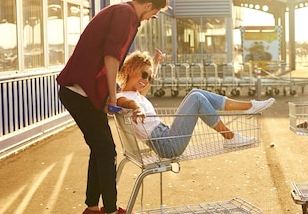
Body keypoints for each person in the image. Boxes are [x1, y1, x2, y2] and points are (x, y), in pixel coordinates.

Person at [57, 0, 169, 214]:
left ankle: (93, 209)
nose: (153, 17)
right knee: (106, 150)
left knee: (101, 149)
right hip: (79, 93)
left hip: (80, 92)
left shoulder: (120, 11)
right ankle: (110, 212)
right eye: (155, 13)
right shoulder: (126, 15)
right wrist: (111, 96)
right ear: (148, 5)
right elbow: (111, 57)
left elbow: (110, 56)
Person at [116, 51, 275, 158]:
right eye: (144, 74)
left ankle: (249, 107)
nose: (146, 81)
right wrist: (136, 109)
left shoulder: (137, 93)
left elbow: (147, 84)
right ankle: (231, 134)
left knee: (195, 93)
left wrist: (155, 64)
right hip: (166, 144)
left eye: (148, 78)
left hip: (167, 137)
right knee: (197, 98)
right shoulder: (122, 97)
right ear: (131, 69)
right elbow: (127, 103)